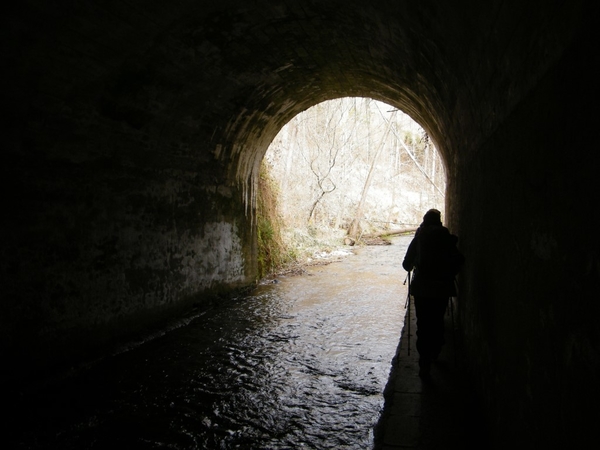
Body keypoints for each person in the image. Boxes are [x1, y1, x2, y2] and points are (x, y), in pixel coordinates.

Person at [402, 209, 464, 377]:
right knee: (437, 321)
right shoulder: (446, 237)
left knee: (423, 324)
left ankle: (424, 362)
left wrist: (416, 263)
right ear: (439, 221)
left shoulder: (419, 238)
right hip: (442, 288)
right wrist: (448, 274)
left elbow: (406, 264)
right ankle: (436, 351)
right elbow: (459, 260)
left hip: (422, 289)